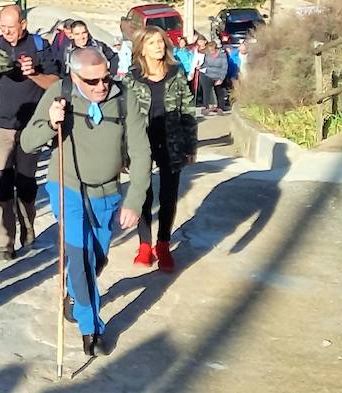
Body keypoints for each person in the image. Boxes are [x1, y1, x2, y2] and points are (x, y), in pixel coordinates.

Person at [21, 47, 150, 357]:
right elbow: (27, 141)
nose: (100, 86)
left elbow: (142, 151)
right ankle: (90, 327)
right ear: (75, 75)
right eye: (91, 81)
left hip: (107, 192)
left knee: (97, 256)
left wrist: (135, 200)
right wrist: (51, 123)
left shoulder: (124, 97)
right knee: (79, 258)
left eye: (105, 78)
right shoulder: (59, 93)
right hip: (67, 186)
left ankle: (76, 294)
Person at [0, 4, 60, 260]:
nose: (7, 32)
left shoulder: (39, 46)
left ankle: (28, 224)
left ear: (23, 24)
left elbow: (55, 83)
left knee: (25, 183)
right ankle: (5, 241)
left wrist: (33, 73)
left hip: (30, 125)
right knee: (2, 183)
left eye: (12, 28)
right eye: (3, 27)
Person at [128, 26, 198, 273]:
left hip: (172, 140)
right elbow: (126, 118)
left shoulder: (177, 73)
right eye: (152, 43)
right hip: (142, 143)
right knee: (143, 194)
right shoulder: (132, 78)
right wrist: (125, 152)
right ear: (141, 49)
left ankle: (163, 243)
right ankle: (144, 245)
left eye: (161, 42)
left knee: (168, 196)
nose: (159, 46)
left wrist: (190, 145)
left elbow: (188, 110)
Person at [194, 35, 231, 115]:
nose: (210, 52)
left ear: (215, 49)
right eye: (209, 50)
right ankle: (206, 106)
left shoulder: (222, 55)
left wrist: (221, 79)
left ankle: (220, 107)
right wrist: (200, 66)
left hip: (218, 75)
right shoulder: (207, 54)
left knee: (219, 90)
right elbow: (206, 63)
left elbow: (224, 67)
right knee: (206, 88)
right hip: (208, 74)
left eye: (212, 50)